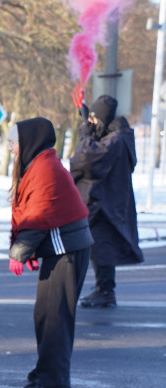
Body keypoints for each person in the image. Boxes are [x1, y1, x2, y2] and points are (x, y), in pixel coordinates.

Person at [8, 118, 93, 388]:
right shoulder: (41, 165)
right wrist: (31, 250)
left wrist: (20, 253)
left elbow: (38, 216)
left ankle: (54, 382)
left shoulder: (45, 169)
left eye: (13, 143)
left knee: (55, 317)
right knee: (46, 315)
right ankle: (47, 373)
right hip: (61, 250)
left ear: (28, 142)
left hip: (66, 252)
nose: (10, 148)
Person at [69, 93, 143, 308]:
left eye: (94, 119)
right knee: (100, 246)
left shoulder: (117, 140)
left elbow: (85, 159)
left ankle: (105, 291)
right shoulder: (117, 136)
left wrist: (86, 133)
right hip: (105, 201)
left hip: (105, 203)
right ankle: (103, 289)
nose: (91, 123)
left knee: (102, 247)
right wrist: (86, 117)